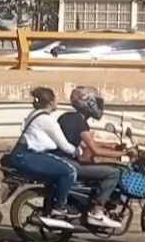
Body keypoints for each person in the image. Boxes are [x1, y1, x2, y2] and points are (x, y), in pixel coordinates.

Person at [54, 86, 126, 229]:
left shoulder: (68, 117)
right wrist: (123, 154)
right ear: (87, 103)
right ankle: (97, 211)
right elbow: (95, 150)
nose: (99, 106)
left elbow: (83, 143)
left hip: (60, 160)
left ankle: (84, 206)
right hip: (68, 163)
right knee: (113, 172)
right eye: (96, 102)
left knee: (92, 164)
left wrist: (113, 146)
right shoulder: (80, 122)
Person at [10, 87, 82, 227]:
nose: (57, 101)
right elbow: (65, 146)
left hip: (22, 154)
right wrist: (78, 151)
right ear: (50, 102)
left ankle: (55, 201)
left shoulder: (35, 114)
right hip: (28, 156)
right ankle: (60, 207)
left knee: (60, 167)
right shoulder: (47, 120)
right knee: (69, 171)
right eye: (55, 98)